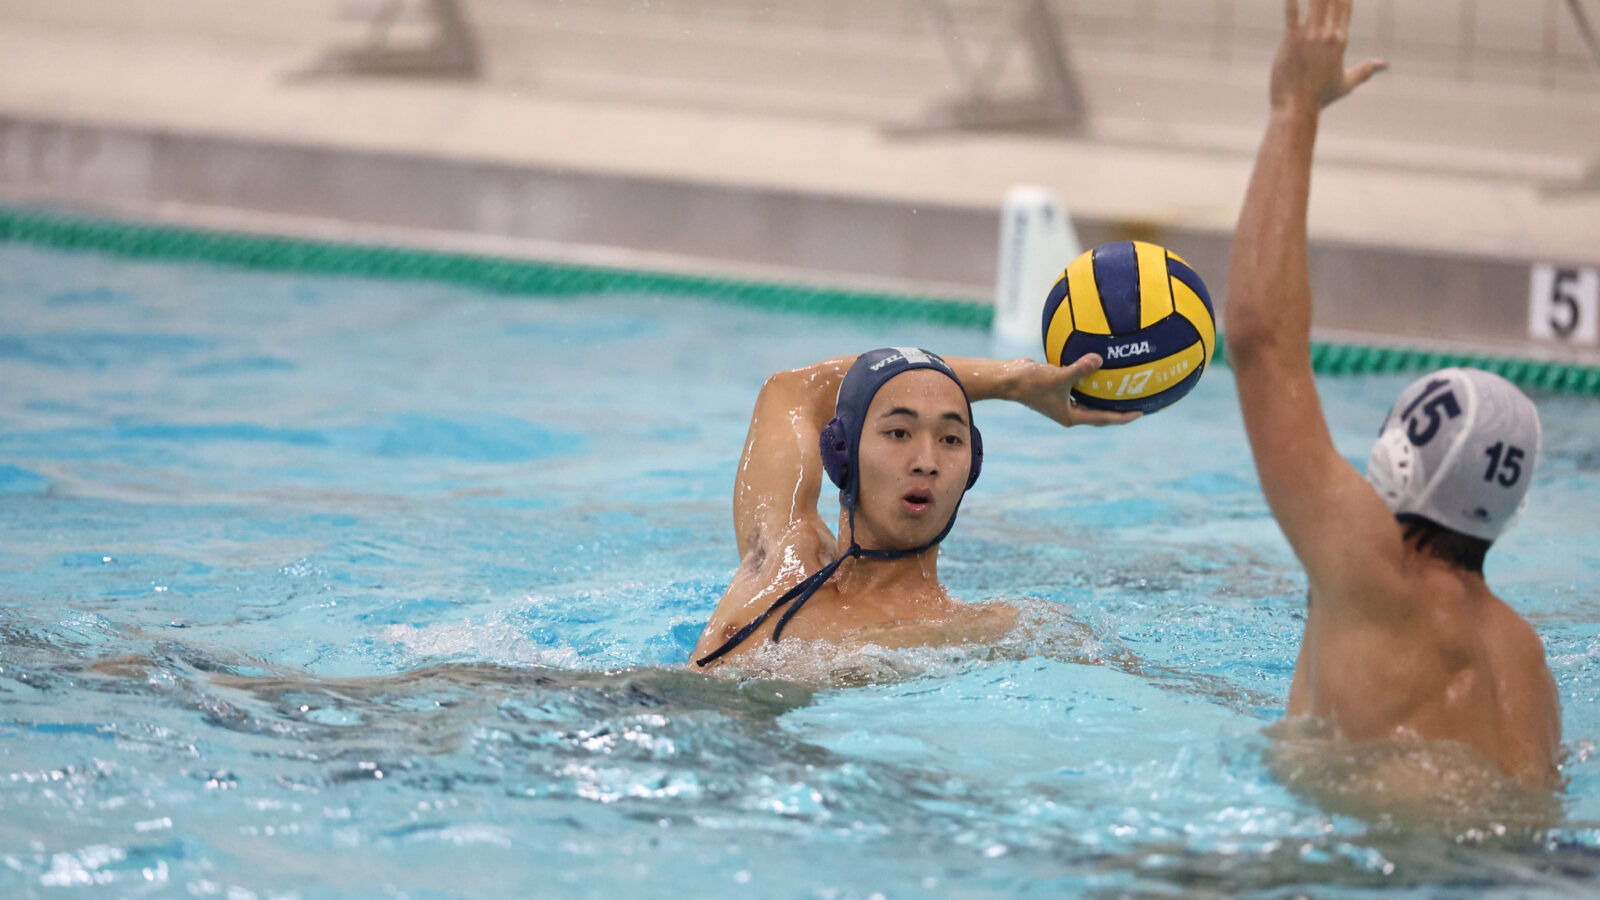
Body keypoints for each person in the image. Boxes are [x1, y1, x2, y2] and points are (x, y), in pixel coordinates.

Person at [1226, 0, 1561, 787]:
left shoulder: (1370, 577)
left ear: (1397, 463)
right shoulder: (1526, 658)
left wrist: (1294, 108)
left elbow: (1260, 342)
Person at [690, 347, 1135, 670]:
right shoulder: (780, 559)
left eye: (951, 439)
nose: (926, 462)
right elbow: (791, 390)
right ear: (841, 452)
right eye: (898, 433)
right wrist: (1012, 381)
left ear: (973, 467)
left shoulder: (993, 631)